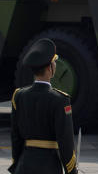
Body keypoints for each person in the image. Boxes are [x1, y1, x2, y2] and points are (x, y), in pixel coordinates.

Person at [8, 38, 77, 174]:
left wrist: (17, 165)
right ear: (49, 68)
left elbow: (15, 137)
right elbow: (66, 141)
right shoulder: (60, 100)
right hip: (49, 167)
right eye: (54, 63)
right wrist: (71, 170)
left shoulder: (19, 96)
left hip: (24, 165)